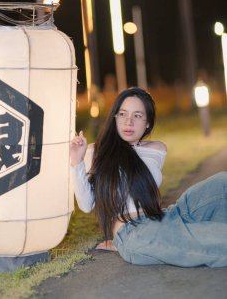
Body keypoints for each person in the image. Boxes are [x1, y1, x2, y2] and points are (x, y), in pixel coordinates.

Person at [70, 87, 227, 267]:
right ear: (114, 118)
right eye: (122, 114)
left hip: (167, 217)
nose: (128, 121)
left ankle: (184, 233)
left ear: (147, 123)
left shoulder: (156, 150)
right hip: (135, 233)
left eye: (137, 115)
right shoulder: (94, 152)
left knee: (222, 184)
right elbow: (86, 204)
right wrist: (77, 162)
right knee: (218, 240)